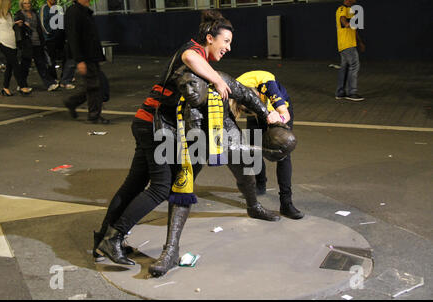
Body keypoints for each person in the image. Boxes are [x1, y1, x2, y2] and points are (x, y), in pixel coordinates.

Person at [94, 10, 281, 267]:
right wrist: (216, 79)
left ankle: (103, 241)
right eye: (225, 41)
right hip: (155, 125)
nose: (228, 47)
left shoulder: (202, 61)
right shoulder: (193, 52)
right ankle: (113, 239)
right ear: (209, 37)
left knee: (134, 185)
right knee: (161, 188)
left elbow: (244, 95)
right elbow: (189, 55)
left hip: (147, 121)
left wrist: (267, 114)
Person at [148, 66, 286, 277]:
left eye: (193, 84)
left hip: (225, 128)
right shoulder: (177, 97)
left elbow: (248, 95)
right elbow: (162, 116)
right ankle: (171, 249)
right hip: (192, 136)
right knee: (182, 187)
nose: (189, 90)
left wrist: (268, 115)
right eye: (184, 86)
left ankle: (254, 206)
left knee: (244, 172)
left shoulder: (221, 80)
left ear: (205, 82)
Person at [236, 70, 303, 220]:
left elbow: (285, 114)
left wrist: (278, 118)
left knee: (283, 153)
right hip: (255, 108)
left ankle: (286, 203)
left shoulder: (269, 86)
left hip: (277, 112)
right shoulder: (234, 90)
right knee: (252, 147)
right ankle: (260, 184)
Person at [63, 0, 109, 124]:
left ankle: (72, 102)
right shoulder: (74, 12)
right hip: (85, 56)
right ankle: (93, 115)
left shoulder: (84, 11)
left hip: (90, 55)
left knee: (93, 85)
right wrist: (79, 60)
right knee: (95, 85)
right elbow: (73, 37)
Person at [0, 0, 31, 96]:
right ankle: (22, 86)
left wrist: (16, 23)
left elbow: (8, 26)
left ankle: (5, 88)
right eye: (9, 3)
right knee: (16, 65)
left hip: (12, 43)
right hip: (4, 43)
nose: (10, 5)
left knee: (10, 66)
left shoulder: (8, 14)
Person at [14, 0, 59, 92]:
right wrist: (22, 26)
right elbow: (17, 28)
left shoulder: (34, 13)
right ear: (22, 5)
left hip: (37, 41)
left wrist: (42, 40)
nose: (27, 5)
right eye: (25, 3)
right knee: (25, 65)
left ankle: (49, 84)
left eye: (29, 3)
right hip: (27, 43)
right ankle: (21, 84)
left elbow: (39, 27)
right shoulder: (19, 15)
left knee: (41, 63)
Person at [335, 0, 365, 101]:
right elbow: (342, 19)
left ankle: (340, 93)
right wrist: (346, 23)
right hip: (347, 44)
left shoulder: (351, 11)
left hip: (348, 44)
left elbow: (353, 30)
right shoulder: (342, 9)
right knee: (354, 65)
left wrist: (359, 42)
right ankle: (352, 92)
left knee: (345, 68)